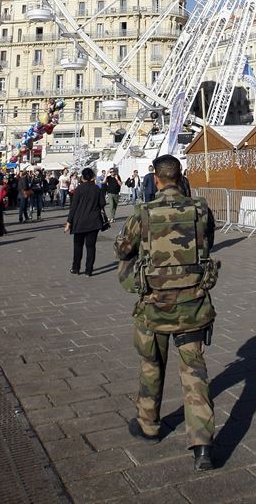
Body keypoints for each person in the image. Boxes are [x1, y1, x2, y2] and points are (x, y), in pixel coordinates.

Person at [115, 154, 218, 472]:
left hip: (154, 306)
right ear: (181, 177)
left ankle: (148, 424)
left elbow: (122, 248)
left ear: (156, 179)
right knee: (194, 373)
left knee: (151, 364)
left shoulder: (144, 212)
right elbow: (208, 243)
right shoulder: (200, 209)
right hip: (193, 304)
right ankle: (202, 445)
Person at [64, 167, 104, 276]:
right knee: (91, 247)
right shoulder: (97, 189)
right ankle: (88, 270)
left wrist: (69, 222)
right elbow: (102, 203)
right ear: (92, 177)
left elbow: (73, 207)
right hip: (93, 222)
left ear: (83, 177)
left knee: (78, 246)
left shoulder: (79, 189)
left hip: (79, 221)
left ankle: (76, 268)